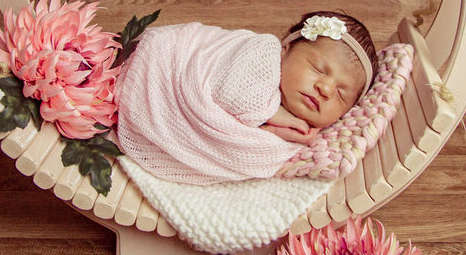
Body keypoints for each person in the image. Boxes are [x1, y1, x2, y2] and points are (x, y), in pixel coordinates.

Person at [114, 11, 377, 184]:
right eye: (319, 69)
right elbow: (229, 94)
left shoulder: (298, 142)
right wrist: (274, 114)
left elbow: (243, 153)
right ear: (285, 49)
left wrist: (274, 132)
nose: (326, 89)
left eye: (341, 95)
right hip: (160, 63)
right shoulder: (261, 51)